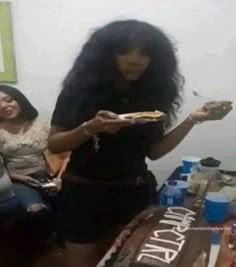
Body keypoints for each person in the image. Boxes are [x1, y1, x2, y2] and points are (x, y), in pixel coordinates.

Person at [48, 20, 232, 267]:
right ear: (104, 55)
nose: (135, 60)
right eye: (124, 51)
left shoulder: (154, 95)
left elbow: (154, 152)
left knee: (130, 259)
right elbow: (55, 144)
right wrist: (90, 127)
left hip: (133, 192)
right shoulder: (79, 92)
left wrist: (192, 119)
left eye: (146, 53)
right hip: (83, 194)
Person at [0, 85, 61, 214]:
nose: (4, 106)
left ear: (19, 99)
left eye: (8, 99)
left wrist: (59, 179)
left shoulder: (43, 124)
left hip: (49, 176)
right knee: (36, 210)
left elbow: (65, 154)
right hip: (17, 180)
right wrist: (18, 177)